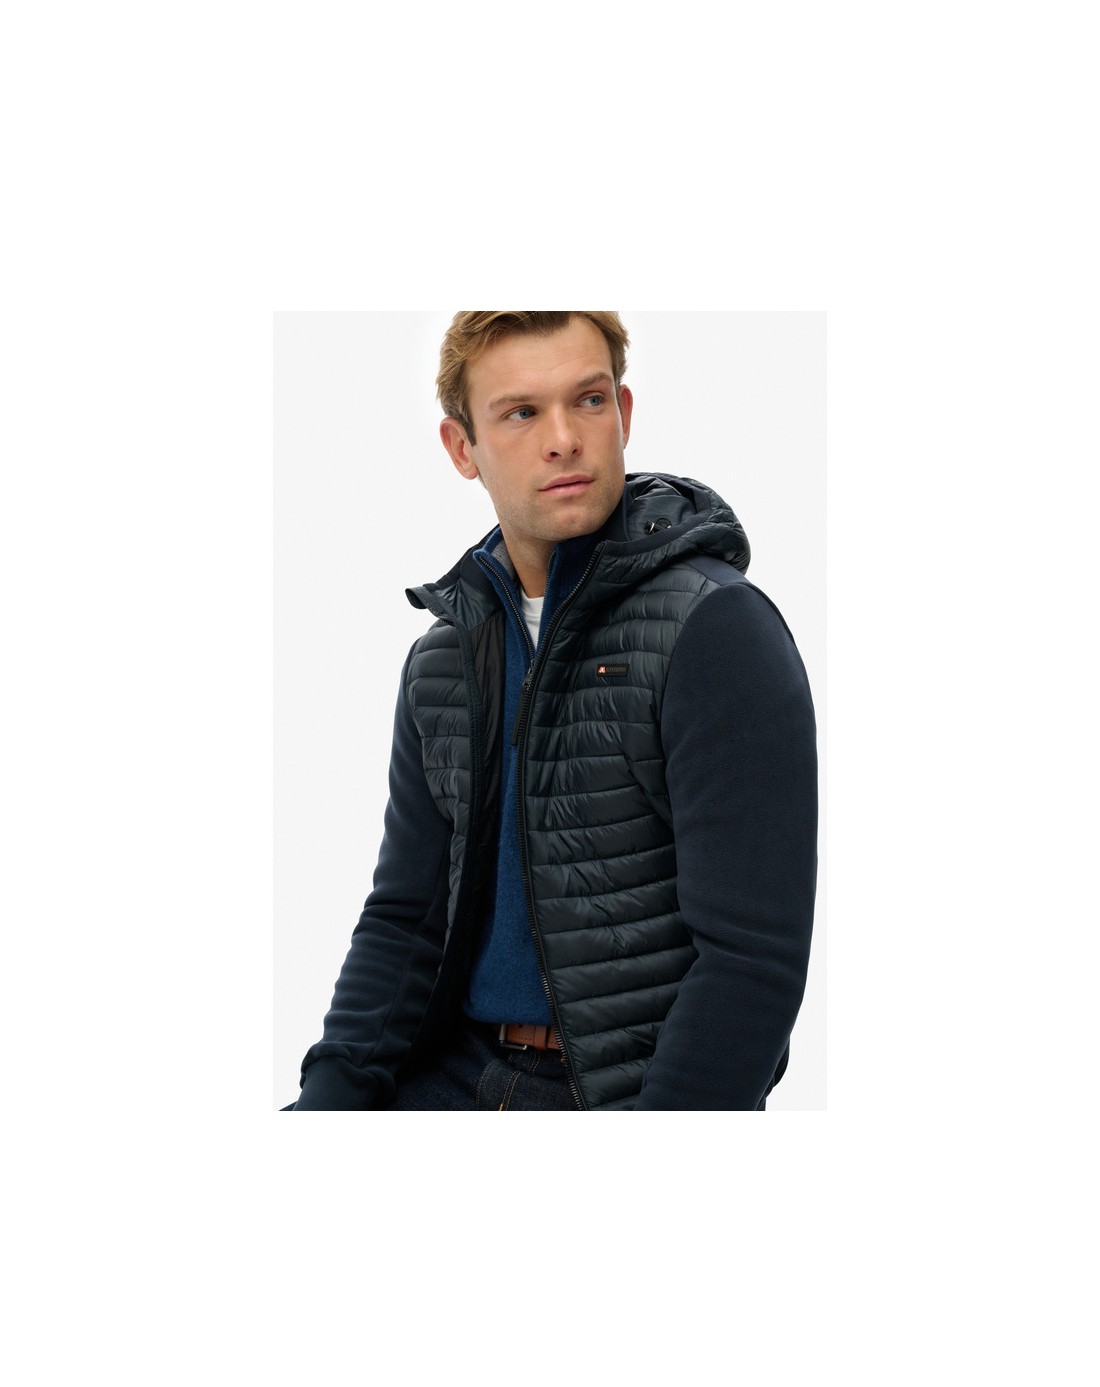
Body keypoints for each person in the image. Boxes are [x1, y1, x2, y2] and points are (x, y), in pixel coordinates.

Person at [284, 310, 817, 1111]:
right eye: (522, 412)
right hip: (452, 1079)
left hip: (617, 1096)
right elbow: (404, 920)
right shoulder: (445, 658)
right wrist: (323, 1103)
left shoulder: (714, 629)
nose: (564, 439)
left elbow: (751, 962)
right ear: (462, 448)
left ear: (623, 413)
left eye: (589, 401)